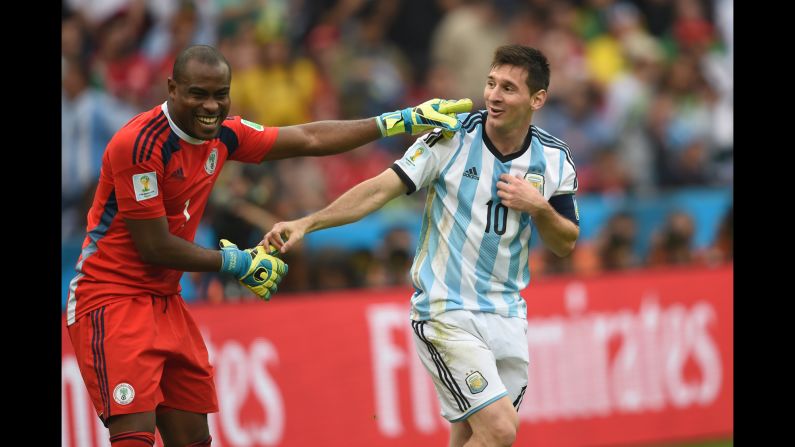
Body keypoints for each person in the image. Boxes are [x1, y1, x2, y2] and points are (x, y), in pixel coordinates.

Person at [65, 44, 471, 447]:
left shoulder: (223, 134)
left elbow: (309, 137)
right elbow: (154, 247)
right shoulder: (138, 144)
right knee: (133, 437)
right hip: (111, 298)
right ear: (172, 88)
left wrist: (398, 121)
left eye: (219, 94)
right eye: (197, 94)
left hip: (166, 301)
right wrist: (236, 262)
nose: (210, 105)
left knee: (192, 440)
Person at [264, 44, 580, 447]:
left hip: (508, 315)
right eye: (491, 83)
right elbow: (380, 190)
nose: (494, 96)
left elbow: (564, 242)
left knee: (470, 434)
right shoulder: (451, 138)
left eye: (509, 88)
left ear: (537, 99)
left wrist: (538, 208)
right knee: (500, 430)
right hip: (445, 311)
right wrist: (308, 222)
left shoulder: (554, 159)